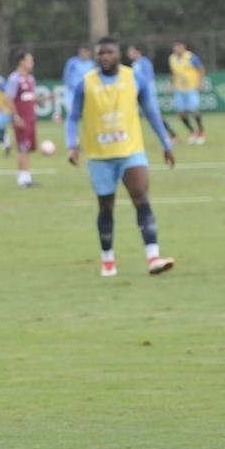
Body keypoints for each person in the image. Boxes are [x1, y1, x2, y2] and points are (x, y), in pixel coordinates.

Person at [67, 37, 176, 278]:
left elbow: (151, 111)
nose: (104, 57)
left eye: (109, 52)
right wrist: (71, 145)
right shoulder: (85, 83)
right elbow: (73, 117)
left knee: (141, 197)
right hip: (99, 156)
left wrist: (165, 143)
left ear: (118, 55)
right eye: (100, 53)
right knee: (106, 206)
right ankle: (107, 259)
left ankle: (153, 256)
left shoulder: (133, 78)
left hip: (130, 151)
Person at [126, 46, 178, 140]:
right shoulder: (134, 64)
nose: (129, 54)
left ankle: (172, 135)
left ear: (138, 52)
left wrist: (141, 88)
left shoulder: (144, 62)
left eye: (131, 52)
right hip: (138, 94)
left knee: (155, 115)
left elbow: (148, 77)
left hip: (147, 94)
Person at [5, 50, 38, 188]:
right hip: (21, 118)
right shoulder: (14, 78)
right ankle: (23, 179)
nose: (32, 63)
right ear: (21, 62)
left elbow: (31, 99)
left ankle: (26, 177)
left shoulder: (31, 79)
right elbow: (9, 98)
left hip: (31, 118)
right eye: (29, 60)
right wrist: (15, 116)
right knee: (23, 148)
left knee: (28, 148)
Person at [169, 41, 205, 144]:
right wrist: (171, 84)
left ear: (183, 47)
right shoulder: (172, 58)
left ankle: (201, 131)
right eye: (175, 47)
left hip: (191, 87)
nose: (177, 49)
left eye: (179, 47)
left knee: (194, 110)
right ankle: (192, 132)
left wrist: (200, 82)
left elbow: (201, 69)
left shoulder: (191, 57)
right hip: (178, 88)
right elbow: (173, 73)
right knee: (180, 113)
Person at [61, 46, 96, 121]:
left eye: (87, 53)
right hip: (72, 93)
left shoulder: (91, 64)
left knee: (88, 114)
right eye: (84, 52)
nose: (86, 54)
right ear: (80, 52)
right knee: (72, 113)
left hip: (86, 92)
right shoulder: (72, 62)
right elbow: (66, 76)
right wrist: (71, 86)